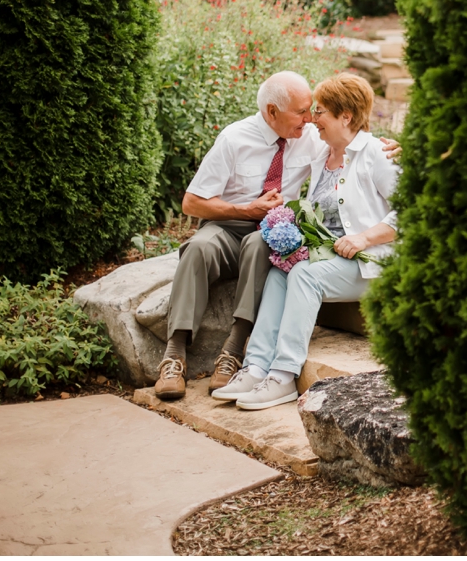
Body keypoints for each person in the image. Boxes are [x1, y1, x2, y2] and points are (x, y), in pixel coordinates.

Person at [154, 71, 398, 400]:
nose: (310, 119)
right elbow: (191, 202)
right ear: (272, 112)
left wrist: (396, 151)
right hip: (233, 225)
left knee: (279, 258)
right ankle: (201, 358)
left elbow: (361, 143)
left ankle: (257, 361)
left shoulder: (320, 139)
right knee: (203, 249)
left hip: (332, 248)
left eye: (316, 111)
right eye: (303, 112)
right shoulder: (241, 139)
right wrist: (246, 210)